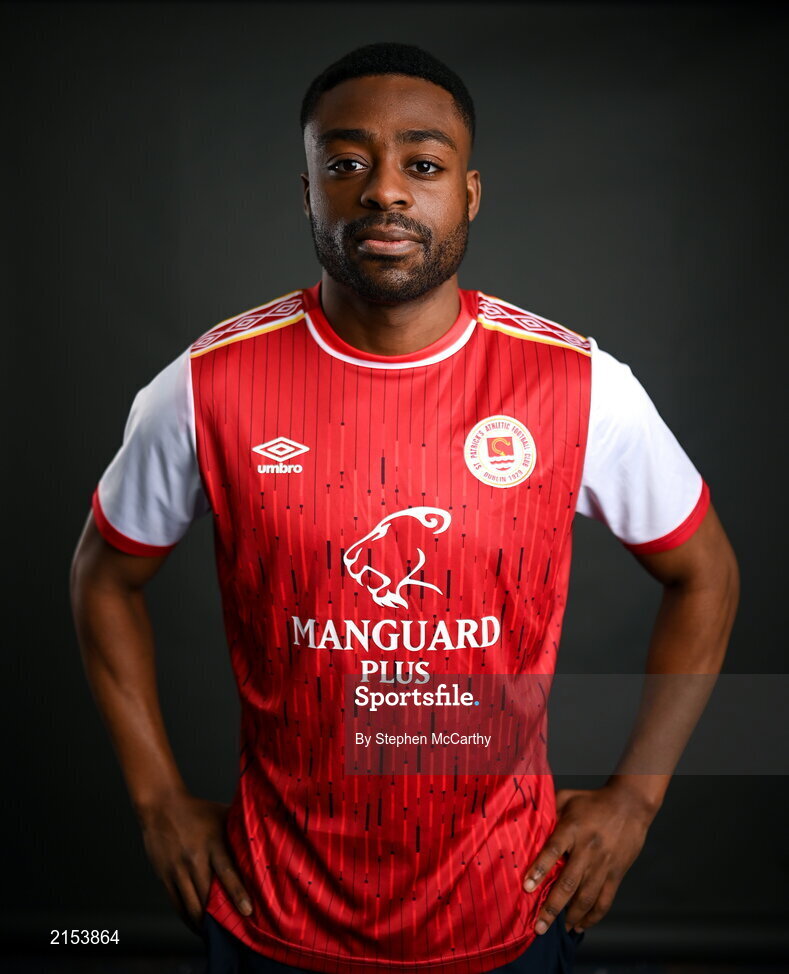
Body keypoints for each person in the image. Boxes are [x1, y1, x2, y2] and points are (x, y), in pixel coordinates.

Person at [70, 42, 739, 974]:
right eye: (345, 164)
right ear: (306, 192)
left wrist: (636, 796)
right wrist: (155, 803)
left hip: (511, 914)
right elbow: (102, 578)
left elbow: (703, 571)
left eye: (420, 165)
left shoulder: (579, 386)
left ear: (467, 192)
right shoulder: (203, 387)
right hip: (272, 913)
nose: (384, 191)